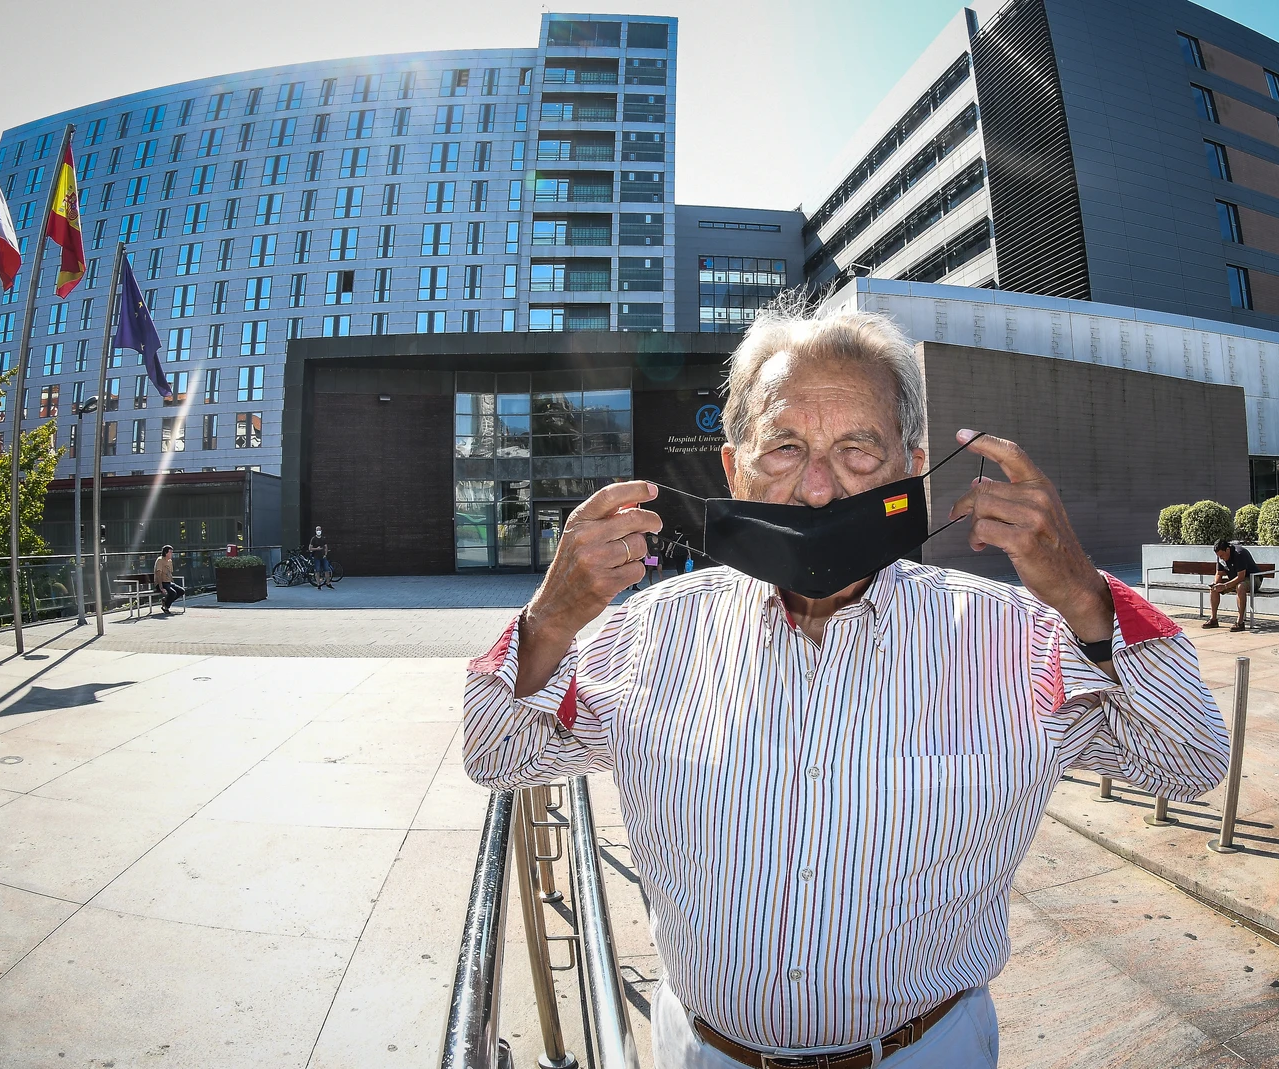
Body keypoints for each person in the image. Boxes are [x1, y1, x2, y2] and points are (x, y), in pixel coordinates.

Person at [459, 307, 1228, 1068]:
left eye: (858, 449)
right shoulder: (647, 635)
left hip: (929, 1050)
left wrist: (1088, 597)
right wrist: (550, 620)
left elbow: (1188, 760)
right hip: (704, 1051)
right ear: (735, 468)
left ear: (909, 465)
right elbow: (497, 755)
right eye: (786, 447)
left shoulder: (1019, 639)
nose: (819, 489)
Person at [1205, 537, 1258, 631]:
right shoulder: (1220, 557)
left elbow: (1241, 577)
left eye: (1222, 555)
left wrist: (1225, 586)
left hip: (1253, 578)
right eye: (1218, 556)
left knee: (1240, 586)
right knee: (1214, 588)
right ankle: (1213, 619)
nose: (1221, 558)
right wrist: (1216, 584)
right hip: (1235, 578)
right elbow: (1219, 573)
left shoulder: (1239, 553)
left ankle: (1240, 622)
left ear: (1228, 549)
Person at [153, 545, 184, 614]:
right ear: (165, 553)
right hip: (161, 583)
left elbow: (169, 573)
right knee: (173, 593)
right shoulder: (160, 560)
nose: (171, 554)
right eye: (170, 552)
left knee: (181, 591)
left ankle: (166, 601)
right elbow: (158, 574)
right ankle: (166, 607)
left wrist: (172, 582)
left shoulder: (170, 561)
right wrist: (161, 587)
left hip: (168, 582)